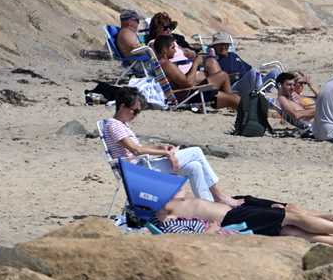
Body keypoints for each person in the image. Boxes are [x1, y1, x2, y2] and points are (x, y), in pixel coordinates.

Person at [102, 87, 239, 206]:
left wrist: (160, 148)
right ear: (122, 106)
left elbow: (137, 148)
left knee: (195, 167)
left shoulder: (120, 125)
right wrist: (167, 154)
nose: (136, 115)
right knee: (196, 152)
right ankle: (218, 196)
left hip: (139, 166)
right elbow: (136, 150)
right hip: (137, 170)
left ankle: (207, 206)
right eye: (135, 111)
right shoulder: (115, 125)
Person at [155, 188, 333, 246]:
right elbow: (180, 234)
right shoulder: (166, 215)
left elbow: (180, 186)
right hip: (232, 218)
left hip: (234, 213)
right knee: (290, 217)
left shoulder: (173, 200)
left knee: (287, 231)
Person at [152, 36, 240, 110]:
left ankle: (233, 105)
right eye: (173, 48)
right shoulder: (166, 64)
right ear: (164, 49)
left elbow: (183, 82)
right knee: (225, 79)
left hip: (187, 93)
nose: (175, 51)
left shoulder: (161, 63)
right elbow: (188, 83)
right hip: (189, 96)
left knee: (231, 94)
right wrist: (196, 63)